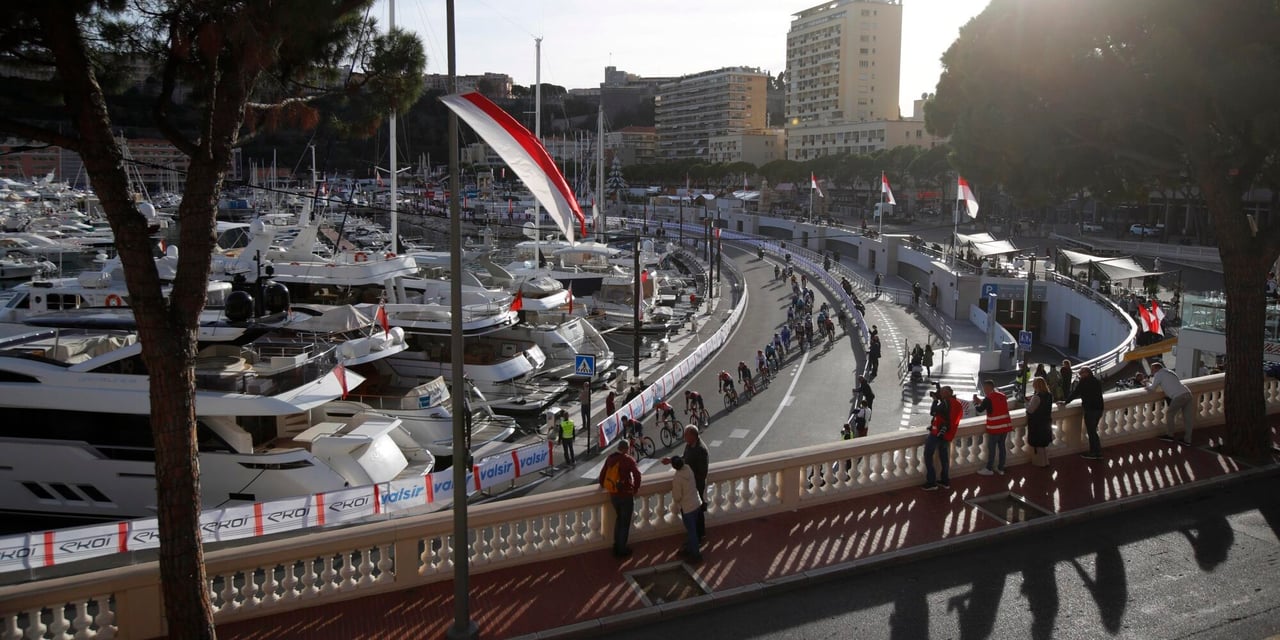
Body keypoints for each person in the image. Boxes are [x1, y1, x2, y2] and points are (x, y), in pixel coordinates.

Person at [599, 440, 642, 557]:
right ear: (626, 449)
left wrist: (605, 486)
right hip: (626, 495)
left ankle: (616, 545)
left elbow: (602, 475)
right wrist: (635, 488)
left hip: (614, 495)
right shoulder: (628, 460)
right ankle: (621, 549)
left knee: (619, 520)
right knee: (624, 523)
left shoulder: (610, 458)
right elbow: (637, 475)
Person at [1138, 361, 1195, 444]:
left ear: (1157, 369)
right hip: (1187, 393)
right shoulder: (1170, 372)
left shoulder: (1159, 374)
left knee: (1170, 414)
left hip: (1179, 396)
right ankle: (1188, 440)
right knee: (1188, 418)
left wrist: (1146, 383)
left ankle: (1170, 435)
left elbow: (1152, 388)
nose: (1151, 371)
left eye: (1152, 369)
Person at [922, 385, 962, 490]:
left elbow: (933, 412)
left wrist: (935, 401)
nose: (941, 394)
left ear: (947, 393)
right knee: (944, 458)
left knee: (928, 455)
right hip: (948, 434)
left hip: (937, 434)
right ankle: (945, 481)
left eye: (942, 392)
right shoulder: (957, 403)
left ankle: (931, 482)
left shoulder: (945, 403)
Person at [1060, 365, 1105, 459]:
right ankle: (1097, 451)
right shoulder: (1096, 381)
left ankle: (1094, 452)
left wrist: (1066, 402)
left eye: (1081, 374)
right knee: (1093, 431)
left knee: (1091, 432)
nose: (1080, 375)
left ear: (1086, 373)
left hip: (1090, 410)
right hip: (1099, 408)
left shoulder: (1084, 382)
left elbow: (1075, 393)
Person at [973, 380, 1013, 475]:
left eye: (984, 388)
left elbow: (980, 409)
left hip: (995, 428)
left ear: (988, 388)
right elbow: (993, 406)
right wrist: (981, 401)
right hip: (1005, 426)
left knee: (992, 448)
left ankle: (989, 468)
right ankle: (1001, 468)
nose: (984, 390)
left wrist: (975, 403)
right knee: (1002, 447)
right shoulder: (1002, 396)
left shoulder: (988, 398)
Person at [668, 456, 703, 562]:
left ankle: (695, 555)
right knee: (694, 530)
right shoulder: (688, 469)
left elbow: (677, 497)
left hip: (687, 508)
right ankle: (690, 549)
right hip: (696, 503)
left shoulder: (677, 478)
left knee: (691, 532)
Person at [1026, 377, 1055, 467]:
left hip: (1037, 423)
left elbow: (1030, 410)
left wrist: (1026, 404)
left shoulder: (1036, 397)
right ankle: (1045, 462)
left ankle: (1040, 463)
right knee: (1043, 443)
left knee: (1038, 444)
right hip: (1046, 421)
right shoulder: (1049, 395)